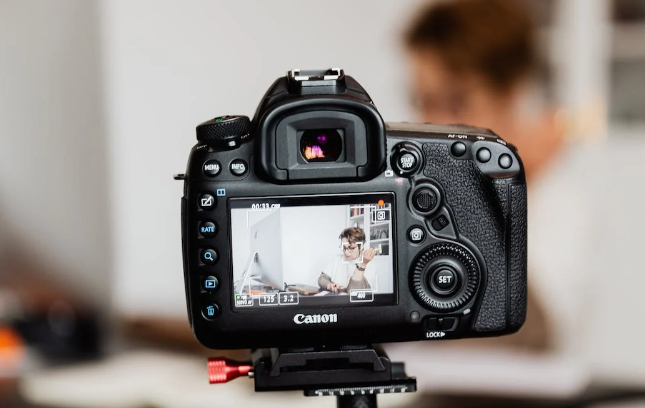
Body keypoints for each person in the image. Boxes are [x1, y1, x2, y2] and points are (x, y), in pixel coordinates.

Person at [404, 0, 567, 352]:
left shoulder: (562, 198)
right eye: (422, 100)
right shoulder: (413, 190)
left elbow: (531, 336)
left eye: (457, 101)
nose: (435, 122)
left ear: (513, 91)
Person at [317, 227, 378, 293]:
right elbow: (322, 279)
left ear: (361, 246)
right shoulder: (336, 259)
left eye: (351, 248)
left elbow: (353, 292)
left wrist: (362, 264)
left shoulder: (370, 266)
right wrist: (329, 285)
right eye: (344, 247)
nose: (346, 252)